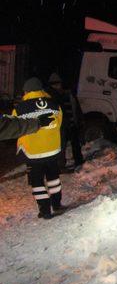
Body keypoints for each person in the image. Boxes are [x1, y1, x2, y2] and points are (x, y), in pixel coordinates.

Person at [13, 77, 65, 219]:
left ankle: (45, 210)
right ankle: (57, 204)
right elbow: (59, 124)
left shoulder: (20, 108)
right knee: (53, 179)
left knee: (37, 182)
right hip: (52, 150)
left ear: (27, 91)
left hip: (33, 152)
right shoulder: (55, 104)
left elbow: (16, 128)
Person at [47, 72, 84, 169]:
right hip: (61, 126)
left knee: (75, 143)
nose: (57, 86)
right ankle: (61, 165)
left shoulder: (68, 94)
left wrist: (78, 119)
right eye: (55, 84)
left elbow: (76, 108)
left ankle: (78, 161)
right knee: (61, 146)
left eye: (58, 83)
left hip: (71, 124)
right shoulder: (51, 96)